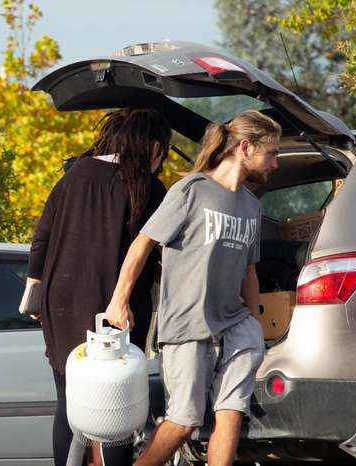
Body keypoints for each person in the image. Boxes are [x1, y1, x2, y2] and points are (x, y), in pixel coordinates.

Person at [105, 110, 281, 466]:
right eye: (272, 153)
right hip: (187, 326)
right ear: (245, 147)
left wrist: (256, 329)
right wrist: (118, 301)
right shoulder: (190, 191)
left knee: (231, 412)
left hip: (235, 326)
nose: (275, 163)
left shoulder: (251, 205)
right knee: (183, 423)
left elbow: (249, 272)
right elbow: (142, 245)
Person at [25, 107, 172, 466]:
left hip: (59, 302)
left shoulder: (74, 174)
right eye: (163, 151)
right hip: (114, 304)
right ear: (152, 146)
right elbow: (156, 253)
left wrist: (33, 294)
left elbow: (41, 239)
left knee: (68, 400)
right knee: (114, 403)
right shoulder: (148, 188)